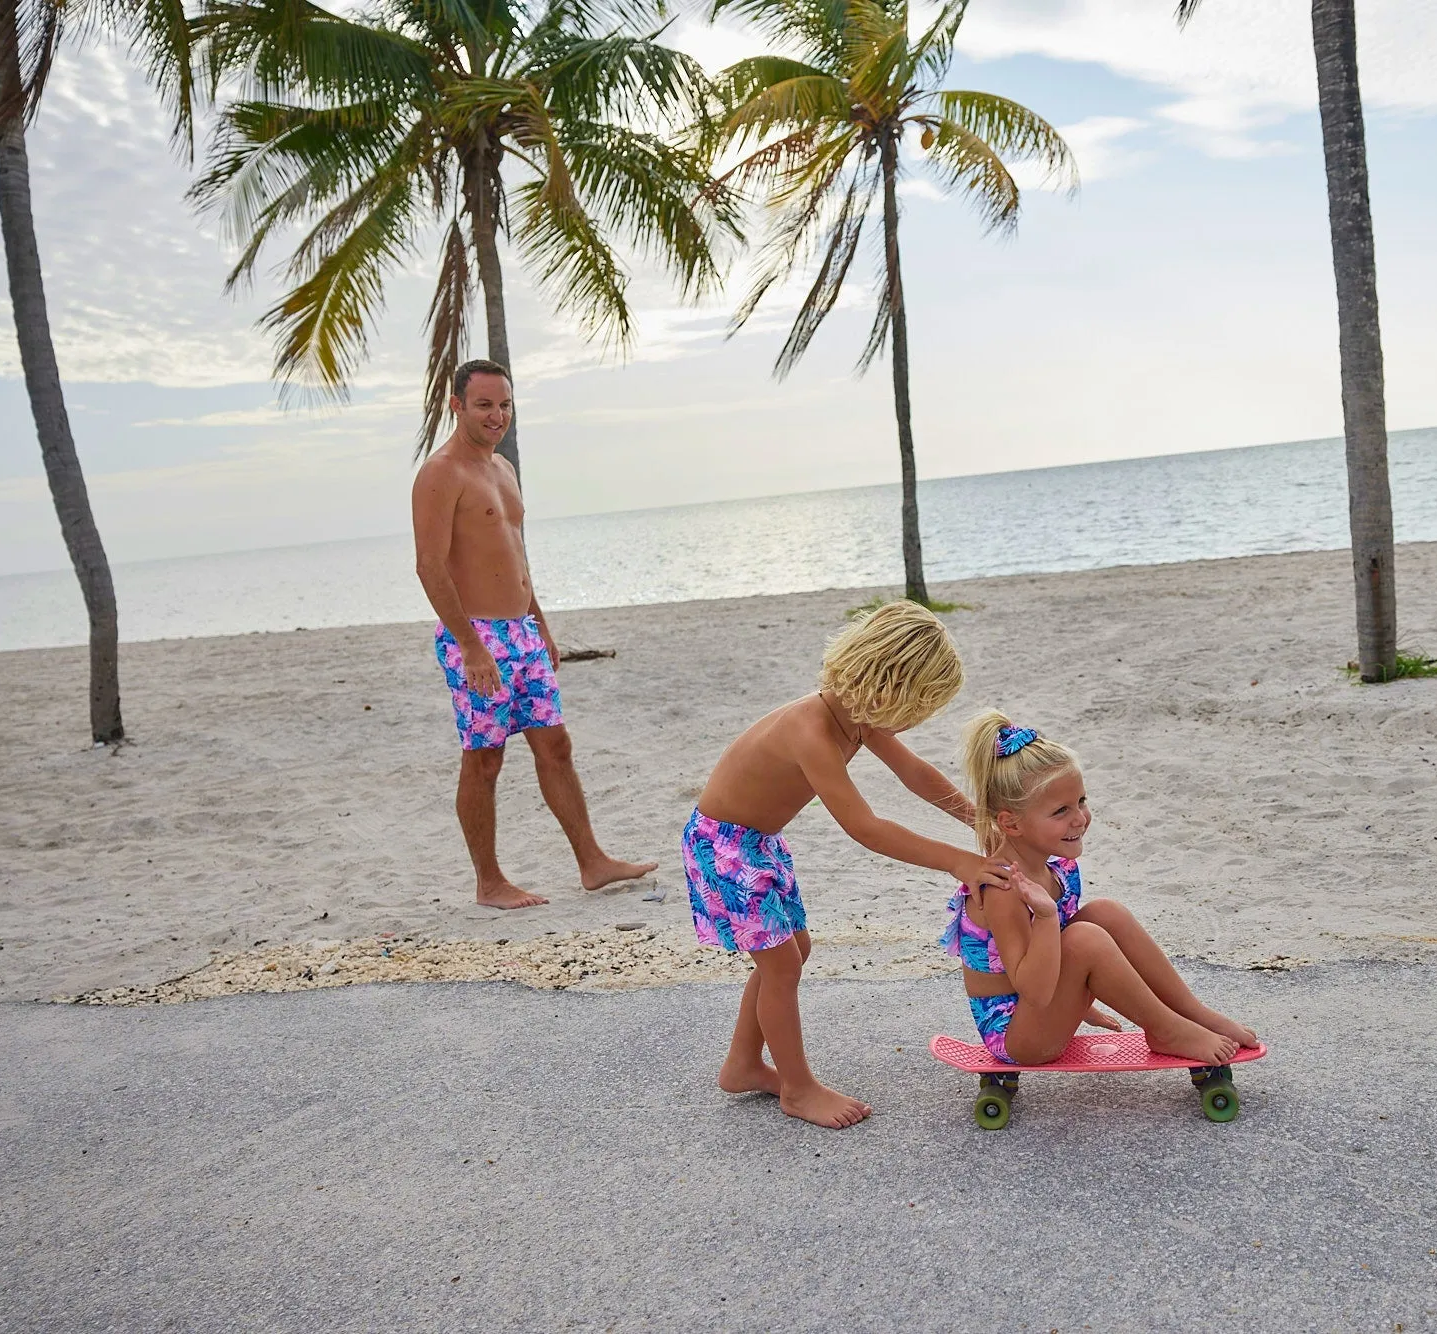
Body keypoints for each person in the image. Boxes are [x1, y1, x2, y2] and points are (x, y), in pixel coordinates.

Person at [685, 601, 1013, 1128]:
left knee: (794, 950)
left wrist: (974, 818)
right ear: (888, 689)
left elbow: (916, 774)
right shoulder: (810, 729)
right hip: (724, 848)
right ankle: (797, 1089)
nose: (910, 724)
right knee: (781, 963)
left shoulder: (856, 715)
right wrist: (960, 862)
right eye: (914, 710)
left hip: (758, 842)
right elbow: (865, 827)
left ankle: (743, 1064)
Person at [412, 359, 656, 909]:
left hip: (521, 631)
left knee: (556, 745)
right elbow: (430, 566)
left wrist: (540, 624)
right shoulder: (440, 473)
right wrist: (471, 645)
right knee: (485, 758)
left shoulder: (503, 470)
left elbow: (515, 556)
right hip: (475, 636)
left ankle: (592, 862)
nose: (497, 415)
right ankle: (489, 881)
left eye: (504, 404)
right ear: (456, 405)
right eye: (484, 405)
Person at [941, 711, 1259, 1066]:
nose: (1079, 818)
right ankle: (1166, 1028)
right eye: (1060, 811)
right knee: (1086, 938)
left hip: (1042, 1010)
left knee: (1106, 913)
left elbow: (1062, 957)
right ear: (1011, 824)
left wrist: (1082, 998)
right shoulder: (1001, 891)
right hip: (1017, 1036)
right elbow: (1035, 988)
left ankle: (1193, 1012)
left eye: (1081, 801)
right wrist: (1045, 915)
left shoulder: (1056, 868)